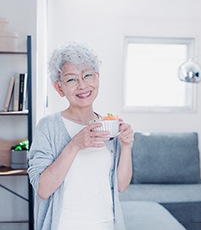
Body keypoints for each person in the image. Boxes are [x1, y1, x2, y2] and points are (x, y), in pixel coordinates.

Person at [28, 42, 134, 230]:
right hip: (65, 224)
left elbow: (120, 186)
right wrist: (75, 144)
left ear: (97, 78)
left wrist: (126, 146)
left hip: (107, 224)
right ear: (59, 88)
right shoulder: (48, 126)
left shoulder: (109, 125)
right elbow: (43, 189)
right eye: (71, 80)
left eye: (87, 75)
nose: (82, 85)